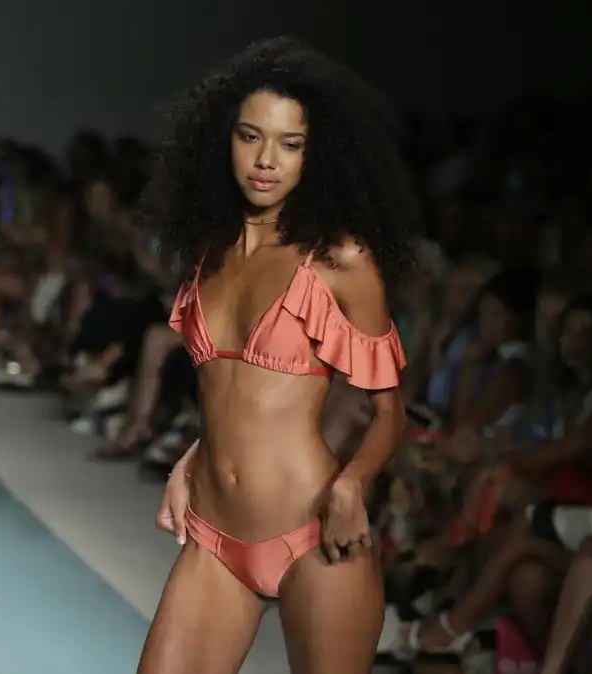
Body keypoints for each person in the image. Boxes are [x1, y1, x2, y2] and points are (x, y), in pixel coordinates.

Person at [135, 37, 419, 674]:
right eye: (250, 137)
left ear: (317, 155)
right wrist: (192, 456)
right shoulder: (209, 253)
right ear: (222, 142)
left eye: (291, 144)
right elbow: (236, 392)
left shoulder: (339, 260)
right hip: (212, 534)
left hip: (312, 534)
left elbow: (389, 413)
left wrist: (350, 486)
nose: (267, 160)